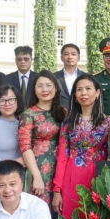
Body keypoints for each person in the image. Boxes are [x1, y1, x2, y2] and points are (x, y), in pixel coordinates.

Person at [52, 74, 110, 219]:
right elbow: (62, 157)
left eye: (88, 88)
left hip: (99, 178)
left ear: (97, 93)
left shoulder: (109, 123)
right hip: (72, 177)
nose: (84, 93)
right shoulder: (68, 123)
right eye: (79, 89)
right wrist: (57, 190)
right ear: (74, 95)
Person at [19, 70, 65, 206]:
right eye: (40, 86)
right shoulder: (28, 114)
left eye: (48, 85)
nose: (45, 89)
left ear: (55, 88)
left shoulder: (64, 113)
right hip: (39, 168)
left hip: (61, 168)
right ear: (34, 90)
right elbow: (25, 147)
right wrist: (37, 176)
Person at [55, 43, 85, 111]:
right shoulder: (54, 77)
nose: (70, 57)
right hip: (59, 114)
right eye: (66, 54)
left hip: (81, 113)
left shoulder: (86, 77)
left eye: (73, 54)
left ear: (78, 58)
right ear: (61, 58)